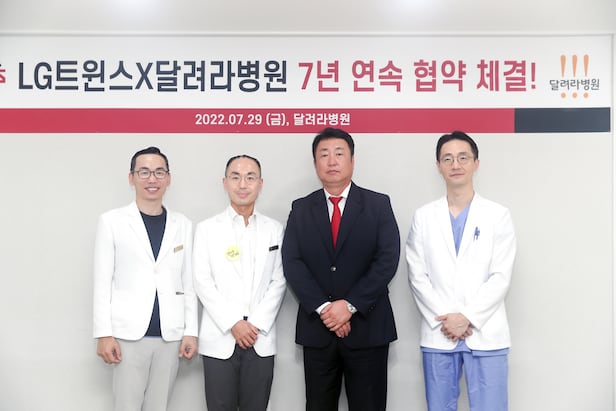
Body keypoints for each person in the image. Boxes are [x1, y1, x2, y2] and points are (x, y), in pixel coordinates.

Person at [282, 127, 400, 411]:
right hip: (318, 331)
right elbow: (292, 262)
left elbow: (387, 259)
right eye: (324, 155)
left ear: (352, 160)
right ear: (315, 164)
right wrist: (326, 308)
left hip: (368, 329)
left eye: (339, 153)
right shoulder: (301, 208)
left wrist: (349, 306)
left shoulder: (378, 204)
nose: (332, 161)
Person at [405, 131, 517, 411]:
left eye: (463, 157)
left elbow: (501, 276)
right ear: (438, 166)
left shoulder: (497, 215)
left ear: (476, 163)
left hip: (486, 330)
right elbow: (417, 276)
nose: (456, 164)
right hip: (439, 332)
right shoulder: (424, 216)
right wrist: (448, 319)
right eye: (448, 158)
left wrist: (467, 318)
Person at [93, 146, 198, 411]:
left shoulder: (183, 224)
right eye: (144, 172)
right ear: (132, 178)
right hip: (127, 335)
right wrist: (104, 334)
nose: (152, 179)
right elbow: (102, 282)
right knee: (126, 406)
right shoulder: (112, 221)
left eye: (159, 172)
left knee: (159, 406)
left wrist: (190, 332)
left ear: (168, 178)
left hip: (170, 334)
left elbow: (188, 283)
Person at [192, 155, 287, 411]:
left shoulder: (274, 229)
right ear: (225, 183)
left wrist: (254, 325)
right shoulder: (207, 229)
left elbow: (279, 280)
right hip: (220, 337)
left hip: (260, 339)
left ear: (260, 183)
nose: (242, 184)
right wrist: (234, 323)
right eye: (235, 177)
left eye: (250, 177)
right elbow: (202, 281)